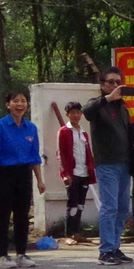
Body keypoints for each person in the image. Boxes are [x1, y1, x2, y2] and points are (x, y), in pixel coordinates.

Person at [0, 88, 44, 268]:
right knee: (3, 214)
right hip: (3, 173)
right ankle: (2, 255)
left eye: (23, 101)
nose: (20, 104)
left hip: (23, 174)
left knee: (22, 215)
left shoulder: (31, 128)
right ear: (8, 104)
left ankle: (22, 254)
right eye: (15, 101)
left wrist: (39, 180)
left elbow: (34, 157)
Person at [82, 69, 134, 265]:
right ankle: (105, 250)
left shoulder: (122, 108)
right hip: (107, 164)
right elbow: (87, 111)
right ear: (102, 85)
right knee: (109, 207)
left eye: (118, 82)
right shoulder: (97, 106)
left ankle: (115, 246)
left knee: (122, 208)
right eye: (110, 82)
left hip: (124, 163)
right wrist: (108, 98)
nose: (114, 86)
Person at [55, 101, 94, 245]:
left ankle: (76, 232)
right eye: (73, 113)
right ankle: (69, 234)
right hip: (72, 174)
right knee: (72, 204)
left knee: (80, 204)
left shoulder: (83, 133)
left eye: (78, 113)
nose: (76, 115)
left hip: (84, 172)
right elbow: (61, 154)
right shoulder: (64, 131)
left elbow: (87, 152)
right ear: (67, 115)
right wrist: (65, 174)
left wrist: (91, 170)